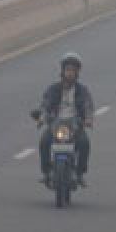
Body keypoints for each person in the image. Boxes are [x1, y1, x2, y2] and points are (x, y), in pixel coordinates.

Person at [35, 52, 94, 187]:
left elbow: (88, 105)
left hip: (75, 125)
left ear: (77, 72)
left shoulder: (82, 90)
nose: (70, 73)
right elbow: (45, 104)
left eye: (73, 70)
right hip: (56, 124)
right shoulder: (53, 89)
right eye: (68, 70)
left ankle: (79, 173)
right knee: (44, 142)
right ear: (62, 71)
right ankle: (46, 172)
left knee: (84, 143)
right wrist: (42, 118)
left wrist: (88, 119)